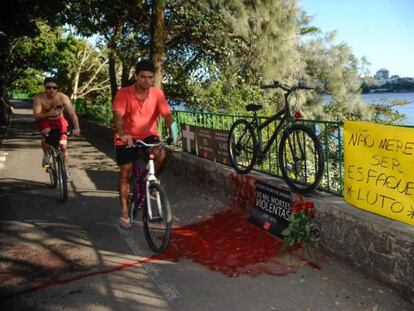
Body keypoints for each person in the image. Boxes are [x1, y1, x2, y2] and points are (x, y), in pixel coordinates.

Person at [112, 59, 174, 230]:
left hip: (149, 135)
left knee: (161, 155)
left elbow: (167, 115)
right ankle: (125, 211)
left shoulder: (157, 94)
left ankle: (152, 180)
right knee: (126, 171)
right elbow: (117, 117)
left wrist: (174, 131)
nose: (147, 81)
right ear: (136, 76)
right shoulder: (123, 93)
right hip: (126, 136)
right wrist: (122, 134)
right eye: (143, 77)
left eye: (150, 77)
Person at [32, 77, 81, 179]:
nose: (51, 90)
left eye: (54, 88)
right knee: (46, 133)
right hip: (45, 120)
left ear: (58, 88)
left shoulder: (63, 98)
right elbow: (36, 116)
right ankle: (46, 154)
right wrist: (48, 113)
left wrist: (77, 128)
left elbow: (72, 114)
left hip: (60, 120)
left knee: (63, 145)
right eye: (48, 87)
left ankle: (65, 167)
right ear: (44, 87)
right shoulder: (39, 98)